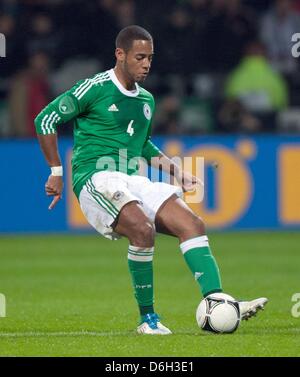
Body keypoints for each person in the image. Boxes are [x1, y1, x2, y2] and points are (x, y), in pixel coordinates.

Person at [35, 25, 267, 335]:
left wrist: (178, 172)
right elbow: (46, 119)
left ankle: (218, 301)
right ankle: (148, 319)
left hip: (132, 178)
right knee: (142, 231)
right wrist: (56, 171)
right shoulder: (94, 87)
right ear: (121, 54)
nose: (146, 64)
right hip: (96, 177)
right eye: (140, 57)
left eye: (150, 58)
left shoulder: (145, 99)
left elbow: (143, 146)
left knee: (193, 225)